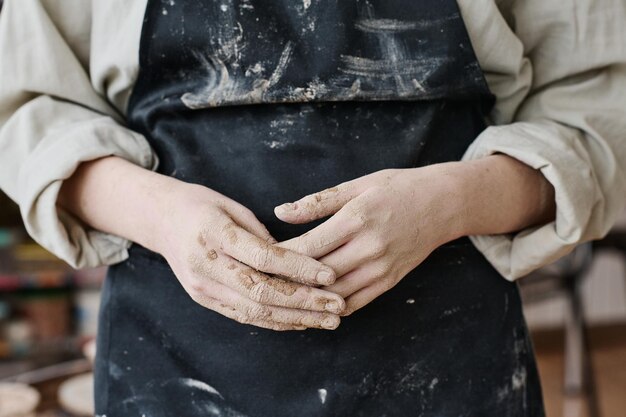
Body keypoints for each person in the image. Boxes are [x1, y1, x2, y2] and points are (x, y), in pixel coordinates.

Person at [1, 0, 625, 415]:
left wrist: (449, 204)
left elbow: (596, 119)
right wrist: (161, 216)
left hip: (445, 356)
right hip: (175, 359)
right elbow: (32, 116)